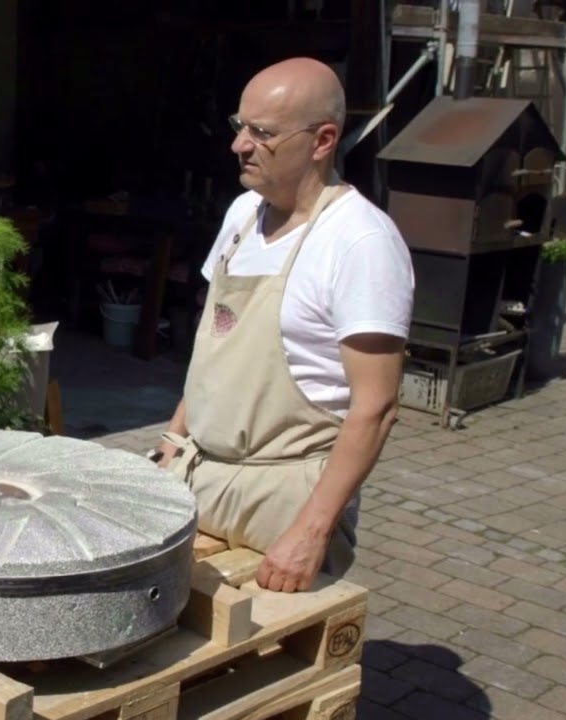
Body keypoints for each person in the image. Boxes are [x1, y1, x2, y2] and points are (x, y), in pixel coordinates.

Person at [151, 58, 414, 594]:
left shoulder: (360, 242)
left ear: (323, 140)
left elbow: (376, 407)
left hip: (285, 494)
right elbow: (215, 352)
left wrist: (311, 532)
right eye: (239, 126)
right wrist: (171, 443)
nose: (239, 145)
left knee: (263, 644)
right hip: (199, 474)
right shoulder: (242, 215)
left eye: (263, 133)